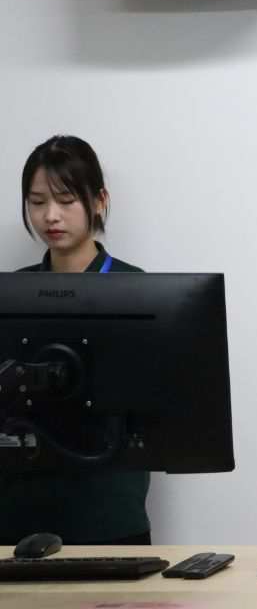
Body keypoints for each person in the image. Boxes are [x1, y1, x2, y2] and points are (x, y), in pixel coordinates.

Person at [0, 135, 151, 545]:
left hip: (109, 516)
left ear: (99, 200)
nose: (51, 216)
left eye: (66, 200)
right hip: (19, 518)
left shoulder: (135, 289)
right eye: (37, 202)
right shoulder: (11, 293)